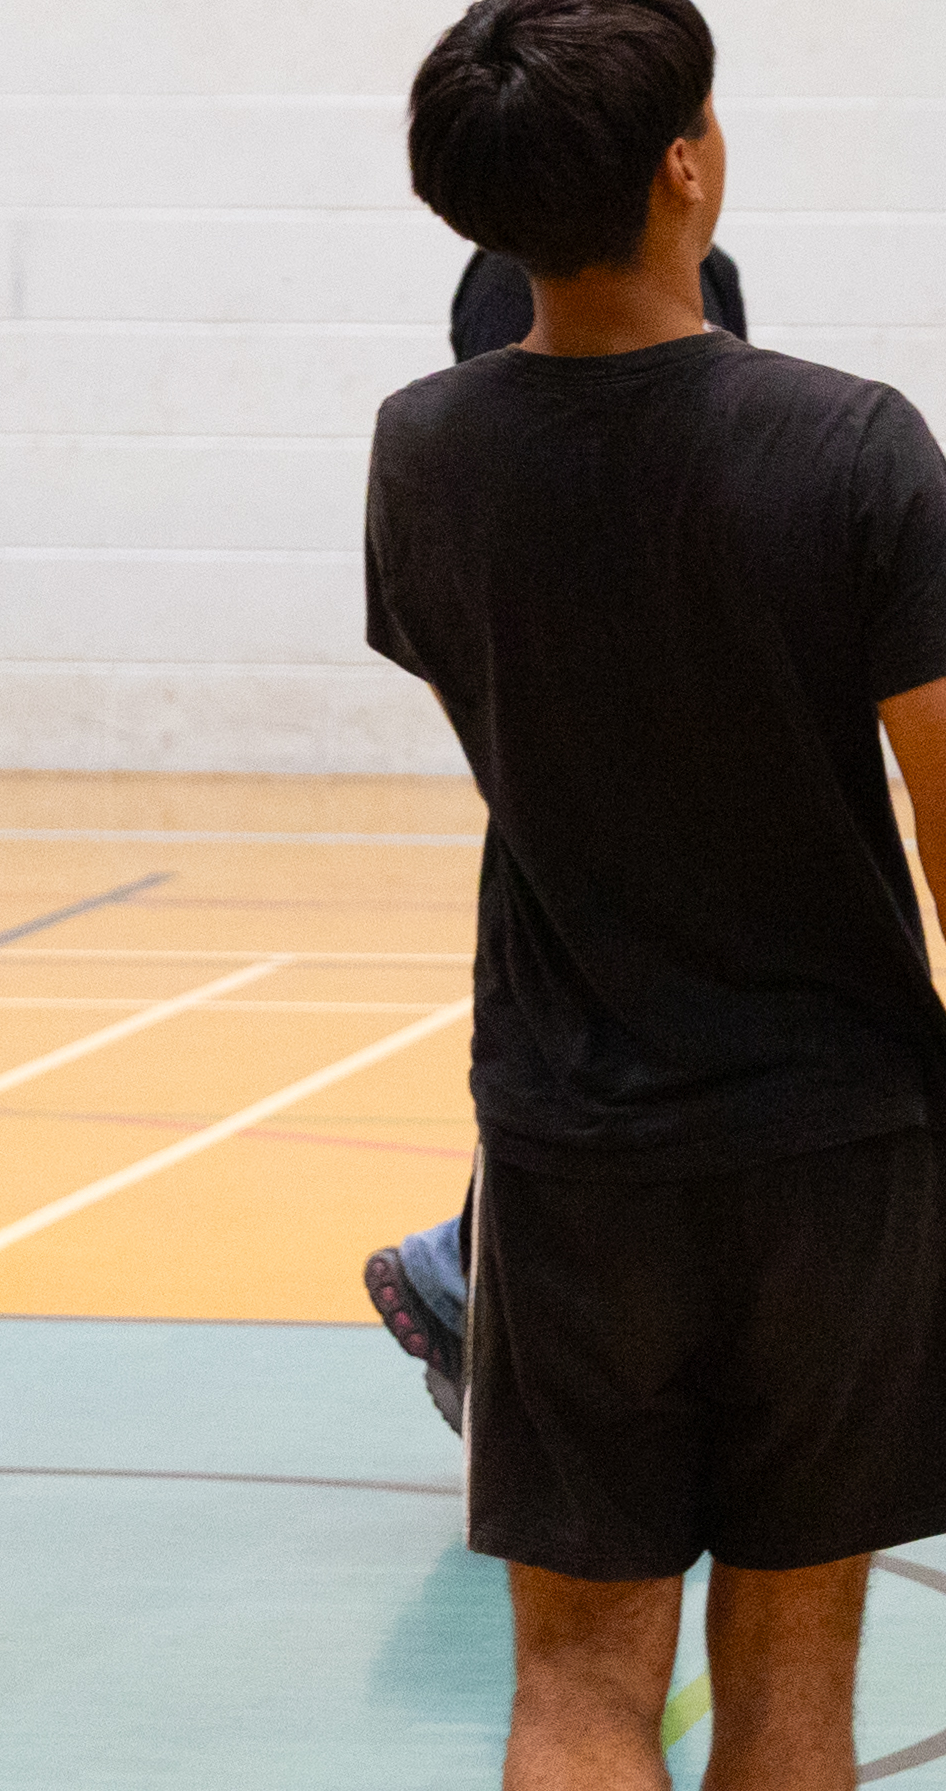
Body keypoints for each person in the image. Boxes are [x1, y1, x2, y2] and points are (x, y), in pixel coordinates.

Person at [366, 0, 946, 1791]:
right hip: (837, 1149)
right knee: (791, 1682)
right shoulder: (848, 444)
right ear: (686, 168)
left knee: (576, 1682)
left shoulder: (420, 453)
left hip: (569, 1147)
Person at [364, 233, 753, 1427]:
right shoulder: (508, 294)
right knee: (589, 1051)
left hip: (678, 747)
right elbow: (516, 515)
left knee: (657, 1045)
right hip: (584, 754)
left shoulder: (703, 276)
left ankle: (475, 1271)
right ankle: (483, 1285)